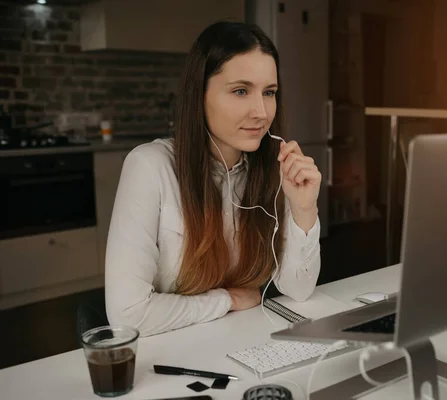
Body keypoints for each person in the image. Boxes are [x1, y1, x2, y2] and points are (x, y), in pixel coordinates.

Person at [104, 22, 322, 337]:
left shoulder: (274, 170)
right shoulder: (150, 166)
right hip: (171, 354)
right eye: (241, 91)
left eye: (269, 93)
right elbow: (129, 316)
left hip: (243, 342)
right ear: (200, 94)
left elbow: (298, 290)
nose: (261, 111)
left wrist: (303, 209)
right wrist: (226, 300)